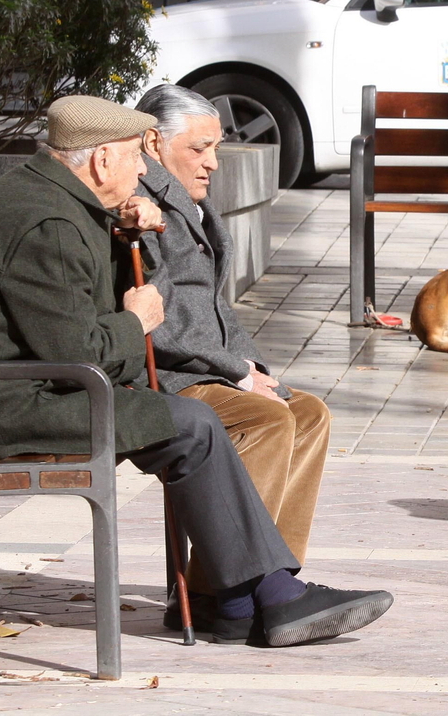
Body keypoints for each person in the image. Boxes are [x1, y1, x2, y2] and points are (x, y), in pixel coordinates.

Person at [0, 94, 392, 644]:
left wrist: (128, 234)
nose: (144, 169)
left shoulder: (54, 198)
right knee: (192, 425)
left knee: (196, 423)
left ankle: (249, 597)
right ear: (102, 160)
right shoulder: (45, 223)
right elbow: (80, 353)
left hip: (33, 389)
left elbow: (75, 320)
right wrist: (137, 319)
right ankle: (262, 596)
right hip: (5, 405)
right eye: (134, 157)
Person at [134, 83, 333, 623]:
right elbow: (160, 326)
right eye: (199, 149)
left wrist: (255, 369)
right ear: (154, 143)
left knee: (308, 412)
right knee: (267, 419)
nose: (213, 163)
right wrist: (238, 375)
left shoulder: (186, 201)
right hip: (168, 378)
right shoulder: (140, 206)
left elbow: (218, 312)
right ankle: (221, 593)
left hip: (205, 369)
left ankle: (274, 578)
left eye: (215, 148)